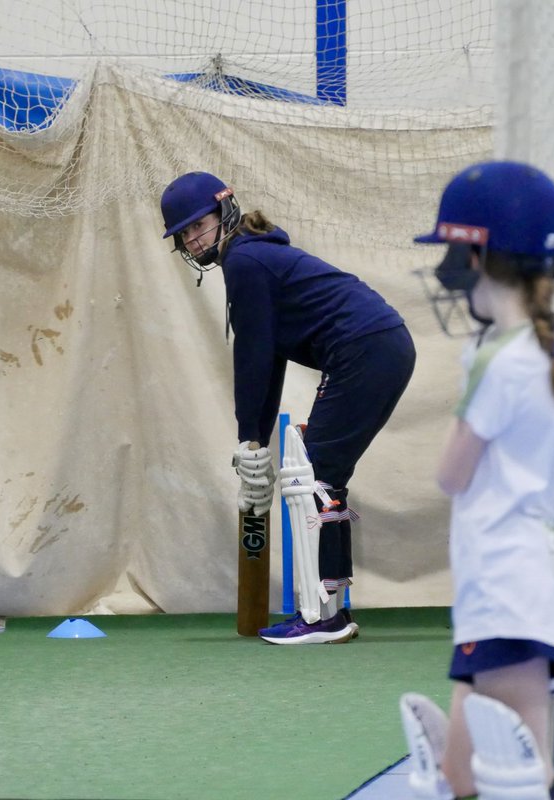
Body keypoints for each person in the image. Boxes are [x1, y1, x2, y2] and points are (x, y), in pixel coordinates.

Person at [398, 161, 554, 800]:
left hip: (508, 587)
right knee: (461, 778)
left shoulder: (500, 360)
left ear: (478, 257)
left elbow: (451, 476)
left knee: (521, 778)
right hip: (521, 584)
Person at [159, 171, 416, 645]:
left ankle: (321, 618)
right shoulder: (251, 254)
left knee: (313, 475)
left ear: (225, 210)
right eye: (184, 234)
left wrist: (248, 439)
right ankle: (331, 612)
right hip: (379, 345)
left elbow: (253, 357)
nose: (194, 239)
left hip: (364, 348)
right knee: (323, 474)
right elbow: (271, 357)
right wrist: (255, 440)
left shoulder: (245, 261)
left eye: (199, 225)